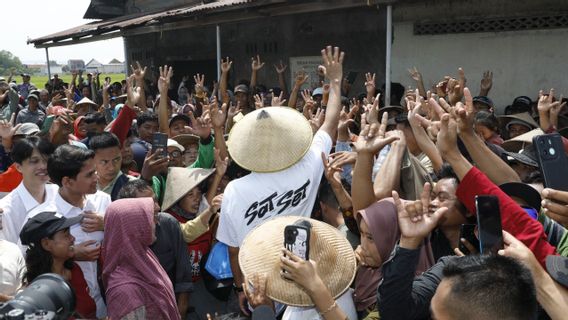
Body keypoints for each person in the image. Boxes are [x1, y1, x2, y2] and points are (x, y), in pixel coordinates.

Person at [217, 46, 352, 315]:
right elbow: (330, 123)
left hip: (259, 287)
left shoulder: (234, 189)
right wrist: (335, 82)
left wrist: (241, 288)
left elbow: (233, 250)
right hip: (301, 280)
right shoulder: (309, 165)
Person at [46, 144, 110, 318]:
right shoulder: (45, 217)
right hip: (70, 308)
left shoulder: (103, 201)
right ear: (67, 181)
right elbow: (33, 265)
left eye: (95, 171)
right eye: (89, 174)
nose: (97, 177)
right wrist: (71, 254)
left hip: (106, 301)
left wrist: (109, 224)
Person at [117, 179, 194, 320]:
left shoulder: (168, 224)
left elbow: (184, 274)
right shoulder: (120, 239)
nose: (157, 207)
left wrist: (180, 312)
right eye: (148, 203)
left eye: (156, 200)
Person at [102, 198, 181, 320]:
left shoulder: (144, 256)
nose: (157, 223)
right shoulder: (125, 291)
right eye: (151, 218)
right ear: (133, 226)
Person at [19, 212, 96, 319]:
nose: (72, 238)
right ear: (46, 244)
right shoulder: (38, 294)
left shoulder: (74, 269)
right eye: (66, 235)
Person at [0, 137, 56, 252]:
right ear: (18, 167)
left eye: (46, 160)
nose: (43, 166)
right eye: (34, 161)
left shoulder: (58, 193)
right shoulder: (6, 210)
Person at [89, 132, 135, 200]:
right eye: (104, 162)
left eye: (116, 160)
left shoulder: (133, 186)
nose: (111, 168)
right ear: (92, 161)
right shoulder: (84, 185)